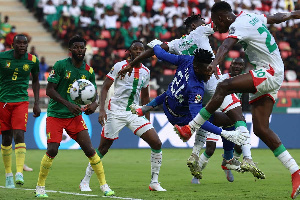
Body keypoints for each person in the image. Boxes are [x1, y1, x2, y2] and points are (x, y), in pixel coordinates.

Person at [118, 14, 264, 183]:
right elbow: (220, 24)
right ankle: (244, 158)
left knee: (201, 116)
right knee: (237, 117)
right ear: (195, 25)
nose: (207, 25)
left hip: (188, 93)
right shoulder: (201, 30)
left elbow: (156, 52)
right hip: (213, 86)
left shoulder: (177, 45)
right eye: (203, 22)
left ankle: (196, 155)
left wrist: (136, 59)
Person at [175, 2, 300, 199]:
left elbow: (226, 45)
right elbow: (278, 17)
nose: (216, 27)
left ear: (222, 18)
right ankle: (296, 171)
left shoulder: (237, 25)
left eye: (216, 23)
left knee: (224, 86)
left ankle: (190, 127)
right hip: (274, 70)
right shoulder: (251, 16)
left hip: (269, 71)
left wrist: (214, 64)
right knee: (260, 129)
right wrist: (296, 14)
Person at [79, 41, 166, 192]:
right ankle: (85, 180)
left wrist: (148, 119)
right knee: (103, 148)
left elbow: (145, 98)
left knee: (156, 143)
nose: (139, 51)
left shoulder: (146, 71)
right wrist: (102, 110)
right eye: (135, 49)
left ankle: (154, 182)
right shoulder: (119, 66)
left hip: (134, 112)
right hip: (116, 112)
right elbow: (105, 87)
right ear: (129, 52)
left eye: (141, 49)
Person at [35, 35, 114, 197]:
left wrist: (94, 104)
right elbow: (49, 90)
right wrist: (69, 104)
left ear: (85, 50)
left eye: (82, 47)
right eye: (76, 47)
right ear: (70, 50)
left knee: (90, 150)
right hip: (56, 115)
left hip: (74, 117)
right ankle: (40, 187)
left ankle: (104, 185)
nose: (80, 50)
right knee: (52, 150)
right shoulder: (61, 65)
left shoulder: (88, 71)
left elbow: (93, 95)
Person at [0, 34, 40, 188]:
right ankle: (8, 174)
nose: (22, 46)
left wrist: (36, 102)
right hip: (3, 102)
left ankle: (19, 173)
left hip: (21, 102)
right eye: (19, 43)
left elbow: (35, 79)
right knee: (6, 139)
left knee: (19, 135)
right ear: (13, 45)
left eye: (25, 43)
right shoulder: (2, 58)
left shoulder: (32, 60)